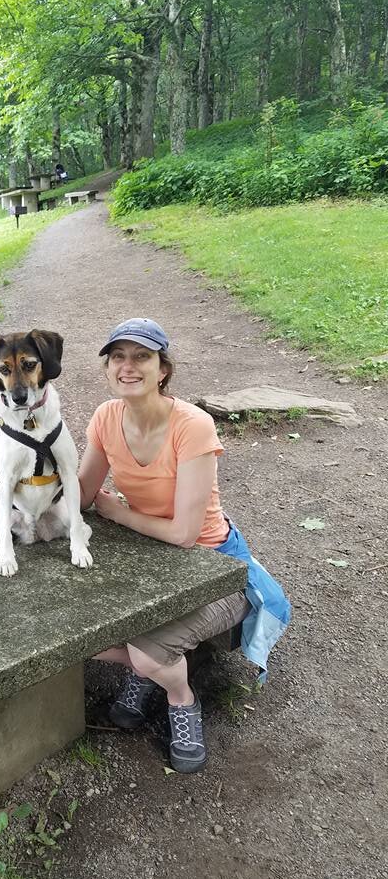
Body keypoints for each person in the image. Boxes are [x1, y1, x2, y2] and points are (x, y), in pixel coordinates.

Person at [78, 318, 290, 773]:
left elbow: (184, 534)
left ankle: (180, 696)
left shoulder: (192, 425)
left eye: (142, 357)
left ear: (163, 370)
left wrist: (118, 514)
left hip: (215, 566)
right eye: (118, 357)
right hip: (152, 559)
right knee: (67, 627)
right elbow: (80, 495)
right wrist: (25, 489)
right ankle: (148, 672)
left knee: (143, 649)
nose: (128, 366)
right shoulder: (105, 417)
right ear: (107, 368)